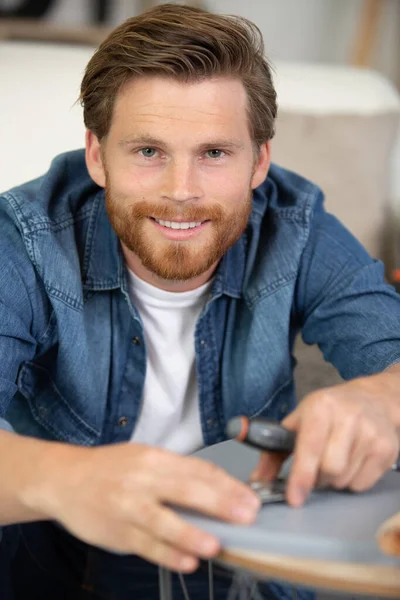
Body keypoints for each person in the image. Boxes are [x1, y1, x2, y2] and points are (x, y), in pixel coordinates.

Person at [0, 3, 400, 599]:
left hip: (243, 540)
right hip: (58, 547)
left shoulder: (298, 226)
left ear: (259, 160)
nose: (181, 192)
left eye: (214, 153)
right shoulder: (25, 236)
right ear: (96, 155)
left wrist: (383, 395)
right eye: (147, 152)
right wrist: (71, 480)